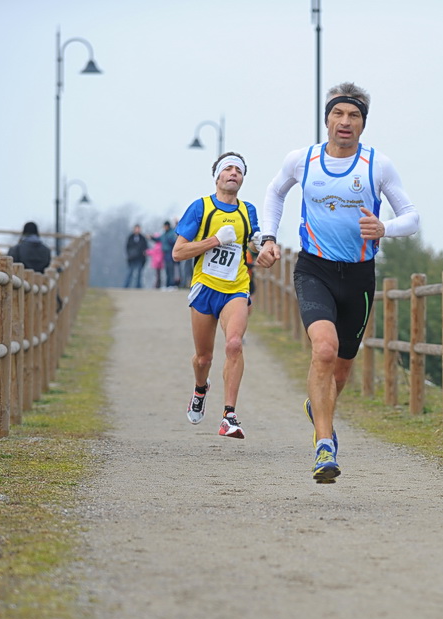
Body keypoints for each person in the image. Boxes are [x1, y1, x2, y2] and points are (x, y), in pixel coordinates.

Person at [256, 82, 420, 483]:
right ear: (327, 118)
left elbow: (412, 217)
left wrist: (385, 227)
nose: (345, 122)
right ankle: (324, 443)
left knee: (341, 370)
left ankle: (318, 407)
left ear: (363, 123)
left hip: (359, 276)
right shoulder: (303, 160)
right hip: (315, 269)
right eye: (338, 114)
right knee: (324, 350)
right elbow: (274, 193)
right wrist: (268, 238)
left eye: (354, 116)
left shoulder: (377, 165)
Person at [173, 151, 259, 439]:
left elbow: (254, 244)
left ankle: (228, 416)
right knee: (204, 358)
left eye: (239, 170)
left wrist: (263, 247)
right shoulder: (201, 208)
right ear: (217, 176)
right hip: (205, 288)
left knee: (234, 344)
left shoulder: (248, 211)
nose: (234, 173)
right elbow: (178, 253)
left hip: (236, 288)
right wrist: (214, 240)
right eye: (228, 169)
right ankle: (200, 389)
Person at [123, 224, 148, 288]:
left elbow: (145, 247)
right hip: (132, 258)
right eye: (136, 229)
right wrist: (130, 254)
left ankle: (138, 286)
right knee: (130, 272)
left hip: (140, 258)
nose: (137, 230)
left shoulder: (142, 238)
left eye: (138, 229)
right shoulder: (130, 237)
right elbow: (127, 247)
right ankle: (126, 286)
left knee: (139, 273)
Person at [159, 220, 181, 289]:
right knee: (167, 270)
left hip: (170, 253)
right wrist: (151, 237)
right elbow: (159, 239)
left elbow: (174, 241)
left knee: (171, 270)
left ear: (167, 226)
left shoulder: (171, 233)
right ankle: (167, 284)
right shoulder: (164, 234)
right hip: (165, 254)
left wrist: (170, 240)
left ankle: (172, 284)